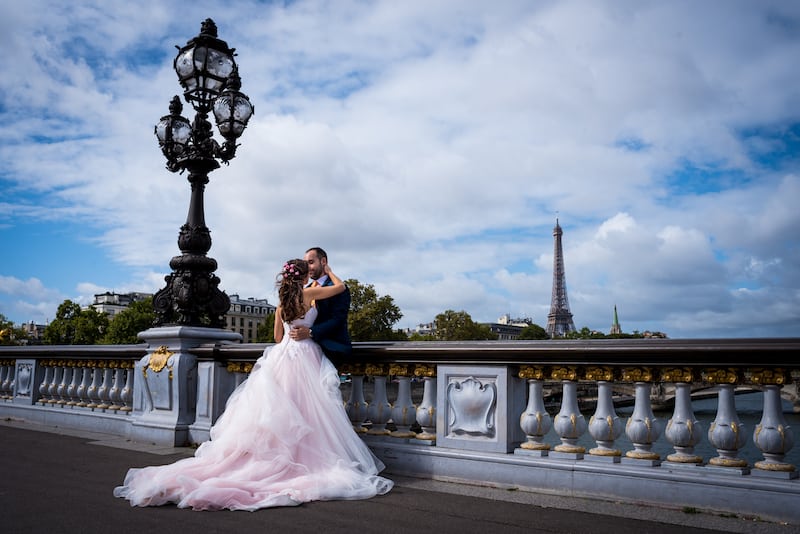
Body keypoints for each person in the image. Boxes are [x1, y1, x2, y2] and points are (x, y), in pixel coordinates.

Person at [113, 259, 393, 511]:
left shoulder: (282, 304)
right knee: (310, 408)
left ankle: (275, 457)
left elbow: (276, 335)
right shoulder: (310, 293)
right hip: (305, 353)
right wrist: (329, 271)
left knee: (279, 409)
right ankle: (303, 457)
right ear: (301, 277)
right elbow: (341, 288)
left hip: (281, 355)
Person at [289, 247, 352, 364]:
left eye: (311, 262)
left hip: (330, 349)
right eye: (305, 264)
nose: (307, 267)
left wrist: (311, 332)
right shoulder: (306, 290)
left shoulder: (337, 288)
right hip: (303, 350)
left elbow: (338, 319)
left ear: (323, 262)